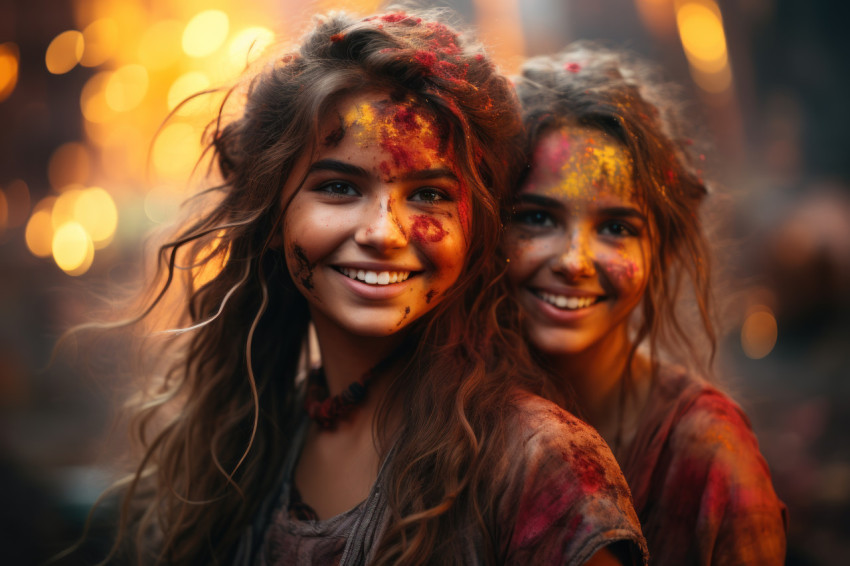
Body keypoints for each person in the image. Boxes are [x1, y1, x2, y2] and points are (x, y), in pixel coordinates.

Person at [99, 14, 648, 566]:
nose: (383, 232)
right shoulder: (244, 446)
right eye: (339, 187)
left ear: (477, 228)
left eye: (429, 194)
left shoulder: (537, 464)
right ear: (270, 217)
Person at [505, 45, 788, 565]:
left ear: (661, 247)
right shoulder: (449, 413)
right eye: (538, 218)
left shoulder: (707, 455)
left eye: (615, 228)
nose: (574, 261)